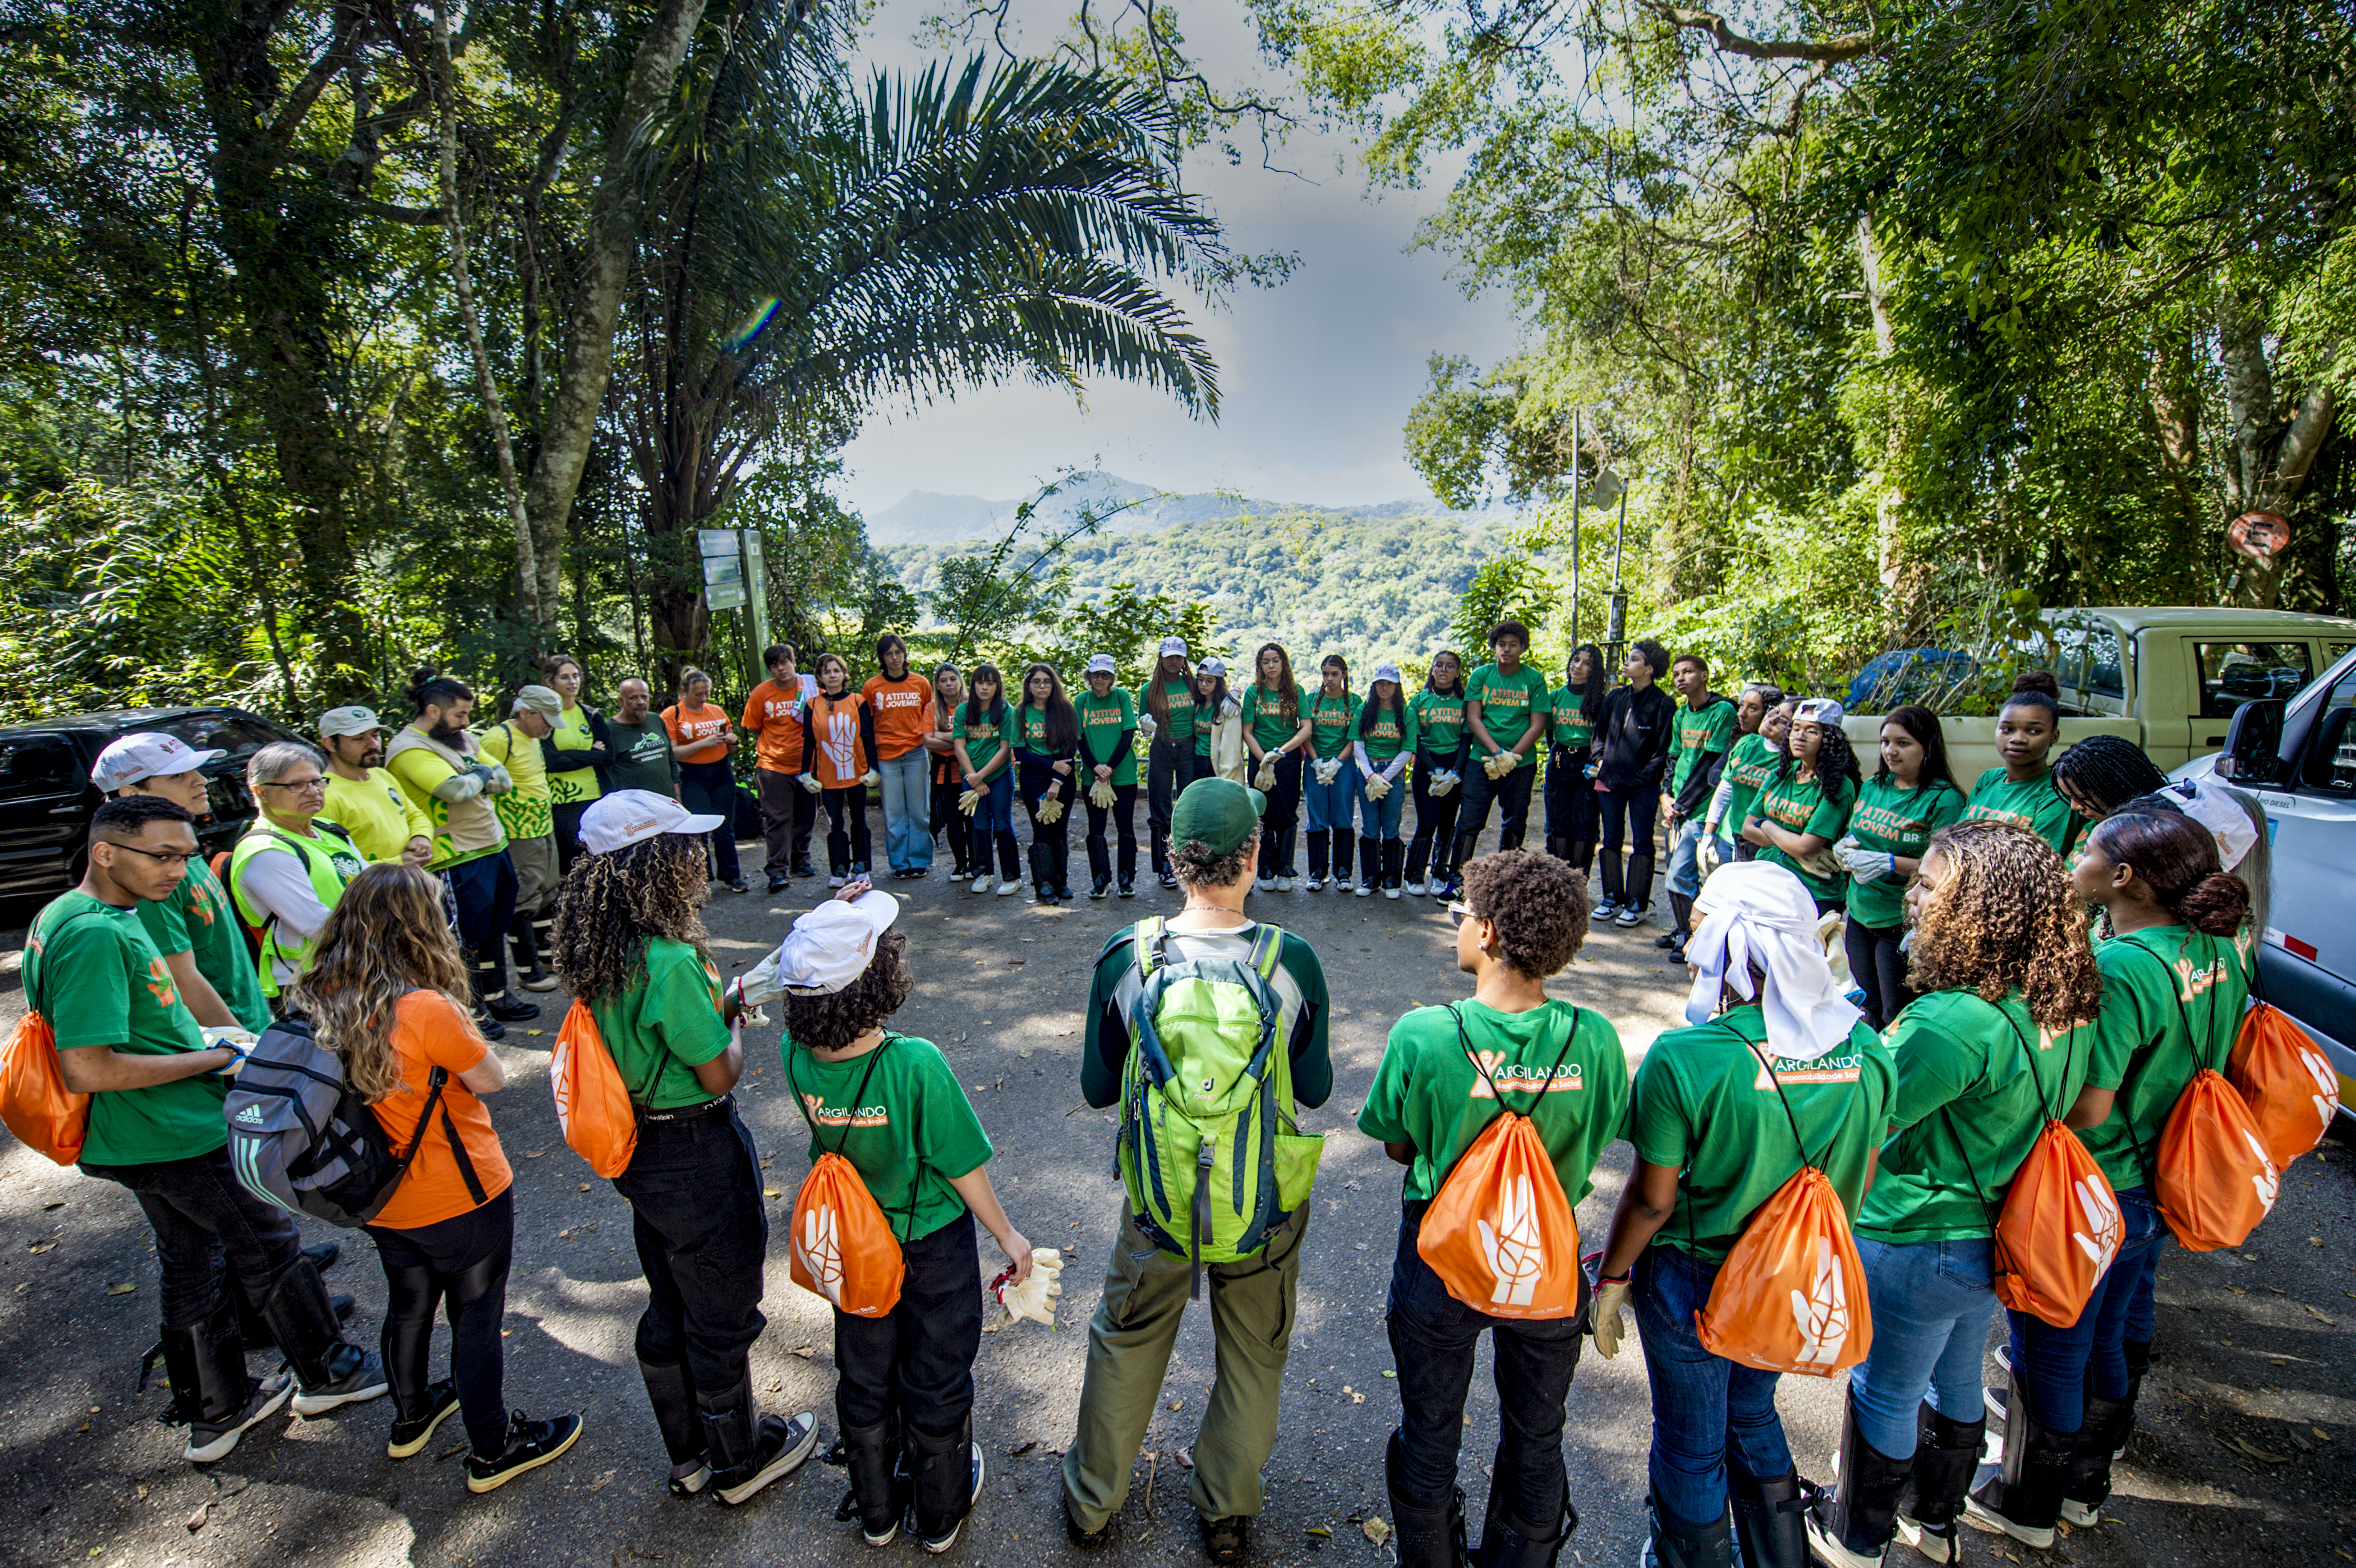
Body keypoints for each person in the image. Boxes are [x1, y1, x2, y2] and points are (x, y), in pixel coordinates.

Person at [40, 796, 385, 1464]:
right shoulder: (92, 932)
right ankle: (328, 1371)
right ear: (105, 851)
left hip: (143, 1135)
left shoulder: (100, 915)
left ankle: (216, 1405)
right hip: (171, 1131)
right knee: (268, 1241)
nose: (177, 870)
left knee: (191, 1260)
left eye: (186, 855)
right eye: (161, 855)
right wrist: (216, 1058)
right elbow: (86, 1067)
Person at [1806, 820, 2103, 1568]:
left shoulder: (1950, 1021)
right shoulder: (2058, 997)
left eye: (1932, 885)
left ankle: (1854, 1530)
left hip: (1918, 1230)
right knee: (1958, 1375)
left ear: (1982, 907)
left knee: (1885, 1387)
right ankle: (1934, 1517)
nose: (1913, 894)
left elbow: (1862, 1122)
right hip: (1993, 1232)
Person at [1592, 862, 1893, 1568]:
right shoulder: (1868, 1046)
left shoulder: (1688, 1056)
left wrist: (1610, 1279)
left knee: (1690, 1440)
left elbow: (1652, 1199)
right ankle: (1778, 1556)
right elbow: (1863, 1182)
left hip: (1695, 1274)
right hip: (1799, 1272)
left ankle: (1685, 1557)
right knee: (1753, 1409)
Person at [1062, 778, 1332, 1563]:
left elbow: (1092, 1086)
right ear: (1253, 854)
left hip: (1161, 1197)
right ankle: (1224, 1512)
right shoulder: (1293, 961)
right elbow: (1312, 1090)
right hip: (1260, 1203)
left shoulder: (1127, 955)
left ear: (1174, 858)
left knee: (1127, 1335)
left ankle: (1091, 1503)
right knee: (1253, 1351)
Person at [1964, 810, 2250, 1546]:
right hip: (2168, 1175)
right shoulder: (2223, 945)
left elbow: (2091, 1105)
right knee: (2113, 1331)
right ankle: (2088, 1483)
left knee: (2051, 1344)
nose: (2075, 857)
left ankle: (2027, 1500)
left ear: (2124, 876)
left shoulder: (2124, 967)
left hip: (2103, 1182)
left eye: (2089, 850)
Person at [550, 789, 820, 1505]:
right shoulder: (667, 958)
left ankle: (689, 1453)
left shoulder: (606, 951)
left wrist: (719, 1004)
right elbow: (719, 1069)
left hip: (645, 1152)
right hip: (696, 1145)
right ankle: (740, 1458)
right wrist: (731, 1026)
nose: (697, 858)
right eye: (684, 847)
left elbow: (657, 1035)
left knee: (670, 1294)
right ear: (653, 863)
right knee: (722, 1304)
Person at [1361, 849, 1627, 1568]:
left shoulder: (1425, 1032)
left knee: (1430, 1429)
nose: (1456, 926)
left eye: (1461, 914)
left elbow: (1396, 1143)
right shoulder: (1594, 1038)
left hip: (1439, 1258)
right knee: (1539, 1434)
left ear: (1488, 933)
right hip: (1545, 1259)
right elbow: (1603, 1129)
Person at [296, 862, 582, 1491]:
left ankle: (411, 1413)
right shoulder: (423, 1006)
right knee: (477, 1314)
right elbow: (490, 1079)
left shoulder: (320, 991)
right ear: (419, 925)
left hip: (377, 1190)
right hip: (458, 1187)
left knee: (409, 1302)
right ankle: (493, 1445)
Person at [764, 886, 1034, 1550]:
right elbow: (962, 1165)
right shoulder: (914, 1063)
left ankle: (877, 1508)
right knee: (936, 1371)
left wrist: (823, 927)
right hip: (930, 1243)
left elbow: (794, 975)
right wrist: (1008, 1234)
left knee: (864, 1371)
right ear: (878, 979)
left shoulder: (795, 1057)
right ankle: (939, 1511)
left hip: (856, 1246)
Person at [385, 671, 540, 1038]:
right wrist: (482, 773)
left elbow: (504, 782)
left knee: (492, 929)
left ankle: (499, 996)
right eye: (459, 714)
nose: (467, 722)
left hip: (492, 844)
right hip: (453, 855)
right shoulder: (409, 748)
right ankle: (470, 1009)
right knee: (463, 937)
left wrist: (480, 774)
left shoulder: (464, 740)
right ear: (433, 710)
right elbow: (455, 790)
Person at [91, 734, 270, 1034]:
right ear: (132, 793)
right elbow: (178, 977)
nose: (201, 780)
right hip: (226, 1045)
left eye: (196, 770)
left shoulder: (182, 856)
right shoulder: (146, 874)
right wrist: (248, 1048)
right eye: (178, 775)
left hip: (249, 1025)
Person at [1835, 705, 1966, 1028]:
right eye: (1885, 742)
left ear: (1928, 747)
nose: (1891, 751)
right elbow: (1862, 832)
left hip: (1901, 920)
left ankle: (1894, 1073)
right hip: (1861, 912)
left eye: (1903, 743)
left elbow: (1946, 867)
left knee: (1897, 1010)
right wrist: (1846, 845)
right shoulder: (1875, 786)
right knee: (1864, 1004)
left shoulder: (1943, 799)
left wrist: (1889, 862)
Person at [229, 741, 368, 1008]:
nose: (312, 791)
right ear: (261, 791)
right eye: (296, 785)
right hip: (309, 982)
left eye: (317, 782)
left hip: (356, 968)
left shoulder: (329, 830)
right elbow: (316, 924)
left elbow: (373, 888)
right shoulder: (264, 850)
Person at [1448, 622, 1550, 891]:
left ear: (1523, 648)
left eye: (1513, 644)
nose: (1506, 649)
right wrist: (1496, 754)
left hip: (1521, 764)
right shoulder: (1481, 676)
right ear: (1494, 647)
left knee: (1515, 821)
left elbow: (1537, 724)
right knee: (1469, 820)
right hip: (1482, 760)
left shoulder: (1534, 679)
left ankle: (1507, 882)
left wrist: (1512, 758)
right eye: (1501, 644)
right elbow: (1474, 718)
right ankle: (1457, 880)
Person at [475, 685, 564, 993]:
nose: (550, 726)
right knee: (523, 899)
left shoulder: (534, 738)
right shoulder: (499, 738)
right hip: (517, 830)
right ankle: (527, 970)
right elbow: (486, 785)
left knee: (547, 893)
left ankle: (547, 958)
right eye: (546, 718)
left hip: (543, 825)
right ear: (525, 712)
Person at [1743, 698, 1861, 917]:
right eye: (1796, 728)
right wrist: (1791, 841)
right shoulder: (1779, 775)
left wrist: (1766, 824)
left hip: (1814, 893)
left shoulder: (1839, 786)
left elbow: (1805, 847)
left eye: (1811, 731)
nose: (1800, 735)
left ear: (1830, 738)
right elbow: (1748, 828)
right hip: (1769, 881)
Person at [1592, 638, 1677, 927]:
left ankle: (1637, 903)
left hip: (1644, 786)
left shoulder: (1663, 703)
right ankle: (1612, 897)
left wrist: (1643, 778)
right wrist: (1601, 763)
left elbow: (1663, 749)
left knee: (1642, 842)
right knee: (1610, 839)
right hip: (1609, 781)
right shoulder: (1615, 698)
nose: (1628, 663)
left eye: (1636, 659)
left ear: (1650, 668)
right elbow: (1599, 736)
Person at [1661, 654, 1739, 961]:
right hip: (1676, 808)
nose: (1681, 678)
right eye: (1677, 673)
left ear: (1705, 675)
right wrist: (1665, 796)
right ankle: (1682, 929)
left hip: (1698, 809)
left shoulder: (1723, 711)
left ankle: (1694, 937)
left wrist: (1680, 805)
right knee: (1674, 872)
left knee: (1681, 874)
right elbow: (1673, 759)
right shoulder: (1681, 715)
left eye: (1689, 672)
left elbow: (1712, 765)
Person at [1959, 672, 2085, 858]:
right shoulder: (1989, 779)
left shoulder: (2058, 793)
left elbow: (2037, 866)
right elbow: (1954, 840)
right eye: (2007, 729)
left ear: (2054, 736)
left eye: (2034, 731)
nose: (2017, 739)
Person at [742, 643, 820, 891]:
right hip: (772, 765)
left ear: (794, 663)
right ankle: (777, 871)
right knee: (778, 819)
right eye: (775, 665)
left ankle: (801, 860)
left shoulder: (810, 688)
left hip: (808, 764)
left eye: (785, 662)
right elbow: (754, 726)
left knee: (807, 815)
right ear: (770, 669)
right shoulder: (761, 693)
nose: (781, 668)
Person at [316, 707, 434, 867]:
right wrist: (397, 864)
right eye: (358, 738)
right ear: (330, 743)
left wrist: (421, 837)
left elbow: (415, 816)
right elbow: (331, 864)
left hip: (410, 884)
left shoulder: (381, 775)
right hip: (372, 890)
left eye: (376, 735)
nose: (372, 744)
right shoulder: (324, 795)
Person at [799, 652, 879, 888]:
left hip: (857, 772)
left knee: (859, 818)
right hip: (827, 775)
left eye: (836, 671)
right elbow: (809, 741)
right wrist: (805, 772)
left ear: (844, 674)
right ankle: (839, 869)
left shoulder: (857, 701)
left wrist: (874, 769)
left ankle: (862, 867)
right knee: (835, 823)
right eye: (827, 672)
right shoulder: (813, 705)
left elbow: (868, 737)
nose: (832, 675)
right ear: (820, 678)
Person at [665, 668, 748, 894]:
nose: (703, 699)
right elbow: (673, 753)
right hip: (691, 776)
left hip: (721, 772)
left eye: (707, 694)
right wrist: (703, 743)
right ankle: (700, 880)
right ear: (683, 692)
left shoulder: (716, 711)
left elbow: (730, 747)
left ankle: (732, 876)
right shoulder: (672, 715)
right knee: (698, 830)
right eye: (698, 694)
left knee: (724, 826)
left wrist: (732, 740)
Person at [864, 632, 938, 880]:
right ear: (882, 658)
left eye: (898, 652)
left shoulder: (920, 683)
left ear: (905, 654)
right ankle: (899, 863)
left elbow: (930, 717)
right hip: (886, 757)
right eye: (889, 654)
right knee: (893, 813)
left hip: (916, 753)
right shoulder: (872, 686)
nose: (894, 658)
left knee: (919, 811)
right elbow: (867, 725)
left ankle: (919, 860)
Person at [1241, 642, 1313, 890]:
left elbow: (1306, 727)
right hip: (1260, 760)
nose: (1271, 665)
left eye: (1275, 660)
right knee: (1262, 814)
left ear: (1284, 663)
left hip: (1288, 759)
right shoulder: (1253, 693)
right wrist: (1264, 759)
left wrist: (1279, 753)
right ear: (1260, 666)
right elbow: (1247, 732)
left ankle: (1284, 869)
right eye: (1265, 661)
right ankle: (1265, 871)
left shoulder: (1295, 691)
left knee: (1287, 813)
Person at [1014, 661, 1080, 903]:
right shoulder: (1020, 712)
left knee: (1059, 829)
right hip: (1034, 775)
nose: (1042, 686)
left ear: (1053, 685)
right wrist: (1051, 766)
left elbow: (1070, 748)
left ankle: (1061, 881)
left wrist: (1057, 779)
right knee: (1041, 830)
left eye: (1047, 681)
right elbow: (1019, 752)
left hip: (1063, 776)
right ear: (1029, 686)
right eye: (1036, 682)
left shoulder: (1065, 710)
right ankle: (1043, 883)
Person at [538, 653, 613, 868]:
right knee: (571, 862)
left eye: (576, 676)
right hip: (562, 802)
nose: (572, 682)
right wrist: (591, 754)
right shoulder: (545, 718)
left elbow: (608, 757)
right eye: (565, 677)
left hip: (596, 798)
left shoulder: (591, 715)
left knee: (600, 860)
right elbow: (552, 763)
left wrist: (569, 753)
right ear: (550, 682)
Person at [1406, 651, 1470, 898]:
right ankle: (1414, 875)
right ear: (1432, 670)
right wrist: (1432, 769)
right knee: (1426, 824)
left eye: (1450, 666)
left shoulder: (1464, 703)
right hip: (1426, 767)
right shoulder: (1419, 700)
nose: (1444, 670)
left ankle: (1439, 874)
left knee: (1446, 824)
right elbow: (1415, 738)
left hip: (1454, 767)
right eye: (1439, 666)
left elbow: (1467, 740)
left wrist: (1455, 772)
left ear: (1457, 672)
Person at [953, 662, 1020, 896]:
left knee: (1002, 823)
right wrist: (973, 778)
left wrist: (981, 777)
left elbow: (1005, 749)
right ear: (973, 686)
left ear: (997, 686)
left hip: (999, 776)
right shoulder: (963, 711)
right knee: (979, 824)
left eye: (990, 683)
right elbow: (959, 746)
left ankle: (1012, 877)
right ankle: (984, 873)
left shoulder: (1005, 710)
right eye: (980, 683)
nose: (984, 687)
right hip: (970, 778)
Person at [1076, 654, 1141, 898]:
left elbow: (1128, 735)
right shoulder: (1082, 701)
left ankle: (1126, 878)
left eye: (1105, 674)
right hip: (1092, 778)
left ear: (1112, 677)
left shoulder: (1121, 696)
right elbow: (1079, 739)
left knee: (1125, 827)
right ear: (1089, 676)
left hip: (1123, 775)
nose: (1100, 679)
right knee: (1096, 829)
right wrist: (1096, 768)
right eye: (1096, 674)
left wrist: (1110, 768)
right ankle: (1100, 879)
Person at [1140, 636, 1203, 889]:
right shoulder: (1149, 689)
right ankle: (1164, 866)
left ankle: (1191, 863)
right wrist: (1146, 728)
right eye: (1169, 657)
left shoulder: (1192, 684)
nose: (1174, 661)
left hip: (1189, 747)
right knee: (1160, 809)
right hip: (1162, 749)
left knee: (1189, 807)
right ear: (1161, 658)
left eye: (1178, 656)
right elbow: (1144, 721)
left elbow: (1209, 705)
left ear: (1184, 659)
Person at [1353, 663, 1419, 898]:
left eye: (1389, 683)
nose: (1384, 687)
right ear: (1374, 685)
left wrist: (1384, 777)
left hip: (1393, 773)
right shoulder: (1364, 710)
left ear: (1396, 685)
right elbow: (1358, 744)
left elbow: (1408, 749)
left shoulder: (1406, 712)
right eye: (1380, 682)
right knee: (1370, 826)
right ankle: (1371, 879)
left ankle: (1392, 880)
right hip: (1368, 771)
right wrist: (1370, 775)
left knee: (1391, 826)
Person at [1702, 687, 1787, 867]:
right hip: (1732, 834)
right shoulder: (1745, 743)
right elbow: (1719, 781)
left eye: (1753, 708)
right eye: (1742, 706)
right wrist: (1709, 835)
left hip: (1767, 845)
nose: (1742, 714)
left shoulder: (1792, 762)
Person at [1300, 653, 1364, 891]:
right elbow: (1305, 732)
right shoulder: (1311, 699)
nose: (1330, 679)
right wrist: (1316, 761)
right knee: (1316, 816)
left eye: (1335, 675)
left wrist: (1338, 761)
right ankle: (1317, 872)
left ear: (1344, 675)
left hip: (1343, 765)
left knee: (1343, 816)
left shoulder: (1355, 701)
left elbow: (1354, 737)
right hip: (1315, 763)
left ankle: (1343, 873)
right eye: (1326, 674)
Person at [1543, 643, 1607, 876]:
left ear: (1595, 670)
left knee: (1584, 827)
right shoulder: (1555, 696)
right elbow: (1550, 734)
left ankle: (1578, 883)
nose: (1578, 666)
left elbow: (1604, 738)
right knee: (1557, 825)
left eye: (1587, 663)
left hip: (1587, 765)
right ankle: (1556, 880)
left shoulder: (1601, 701)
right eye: (1576, 660)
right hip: (1560, 761)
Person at [927, 663, 972, 882]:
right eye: (944, 680)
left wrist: (942, 735)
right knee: (953, 821)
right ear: (937, 684)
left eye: (952, 679)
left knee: (973, 820)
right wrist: (959, 738)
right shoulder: (932, 708)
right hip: (943, 773)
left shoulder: (972, 703)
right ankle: (960, 864)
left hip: (970, 771)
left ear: (960, 680)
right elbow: (927, 740)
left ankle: (976, 862)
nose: (949, 684)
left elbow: (976, 737)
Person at [609, 677, 683, 799]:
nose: (641, 702)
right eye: (633, 698)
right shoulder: (611, 730)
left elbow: (670, 759)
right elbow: (607, 773)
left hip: (667, 799)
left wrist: (677, 793)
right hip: (635, 804)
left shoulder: (656, 720)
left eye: (644, 697)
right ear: (621, 701)